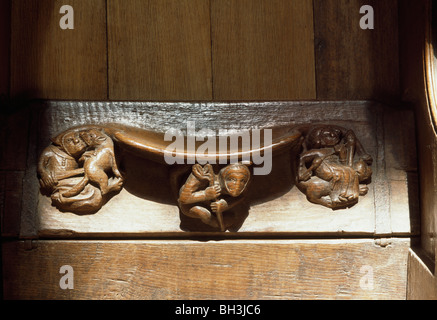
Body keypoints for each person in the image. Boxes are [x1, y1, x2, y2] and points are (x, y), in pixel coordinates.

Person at [178, 163, 250, 229]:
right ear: (224, 177)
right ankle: (216, 224)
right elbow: (184, 198)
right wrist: (205, 194)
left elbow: (241, 196)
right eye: (231, 179)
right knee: (204, 214)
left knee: (230, 219)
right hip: (190, 205)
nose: (237, 185)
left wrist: (225, 204)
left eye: (243, 181)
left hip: (212, 205)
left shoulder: (242, 184)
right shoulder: (203, 173)